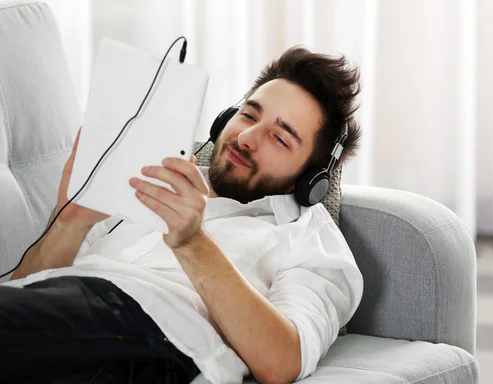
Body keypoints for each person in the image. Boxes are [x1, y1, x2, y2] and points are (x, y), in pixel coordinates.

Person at [0, 46, 363, 384]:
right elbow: (24, 283)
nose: (248, 137)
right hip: (51, 311)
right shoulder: (155, 175)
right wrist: (70, 220)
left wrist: (192, 243)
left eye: (280, 138)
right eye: (249, 114)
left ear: (311, 178)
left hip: (149, 337)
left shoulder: (311, 240)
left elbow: (283, 361)